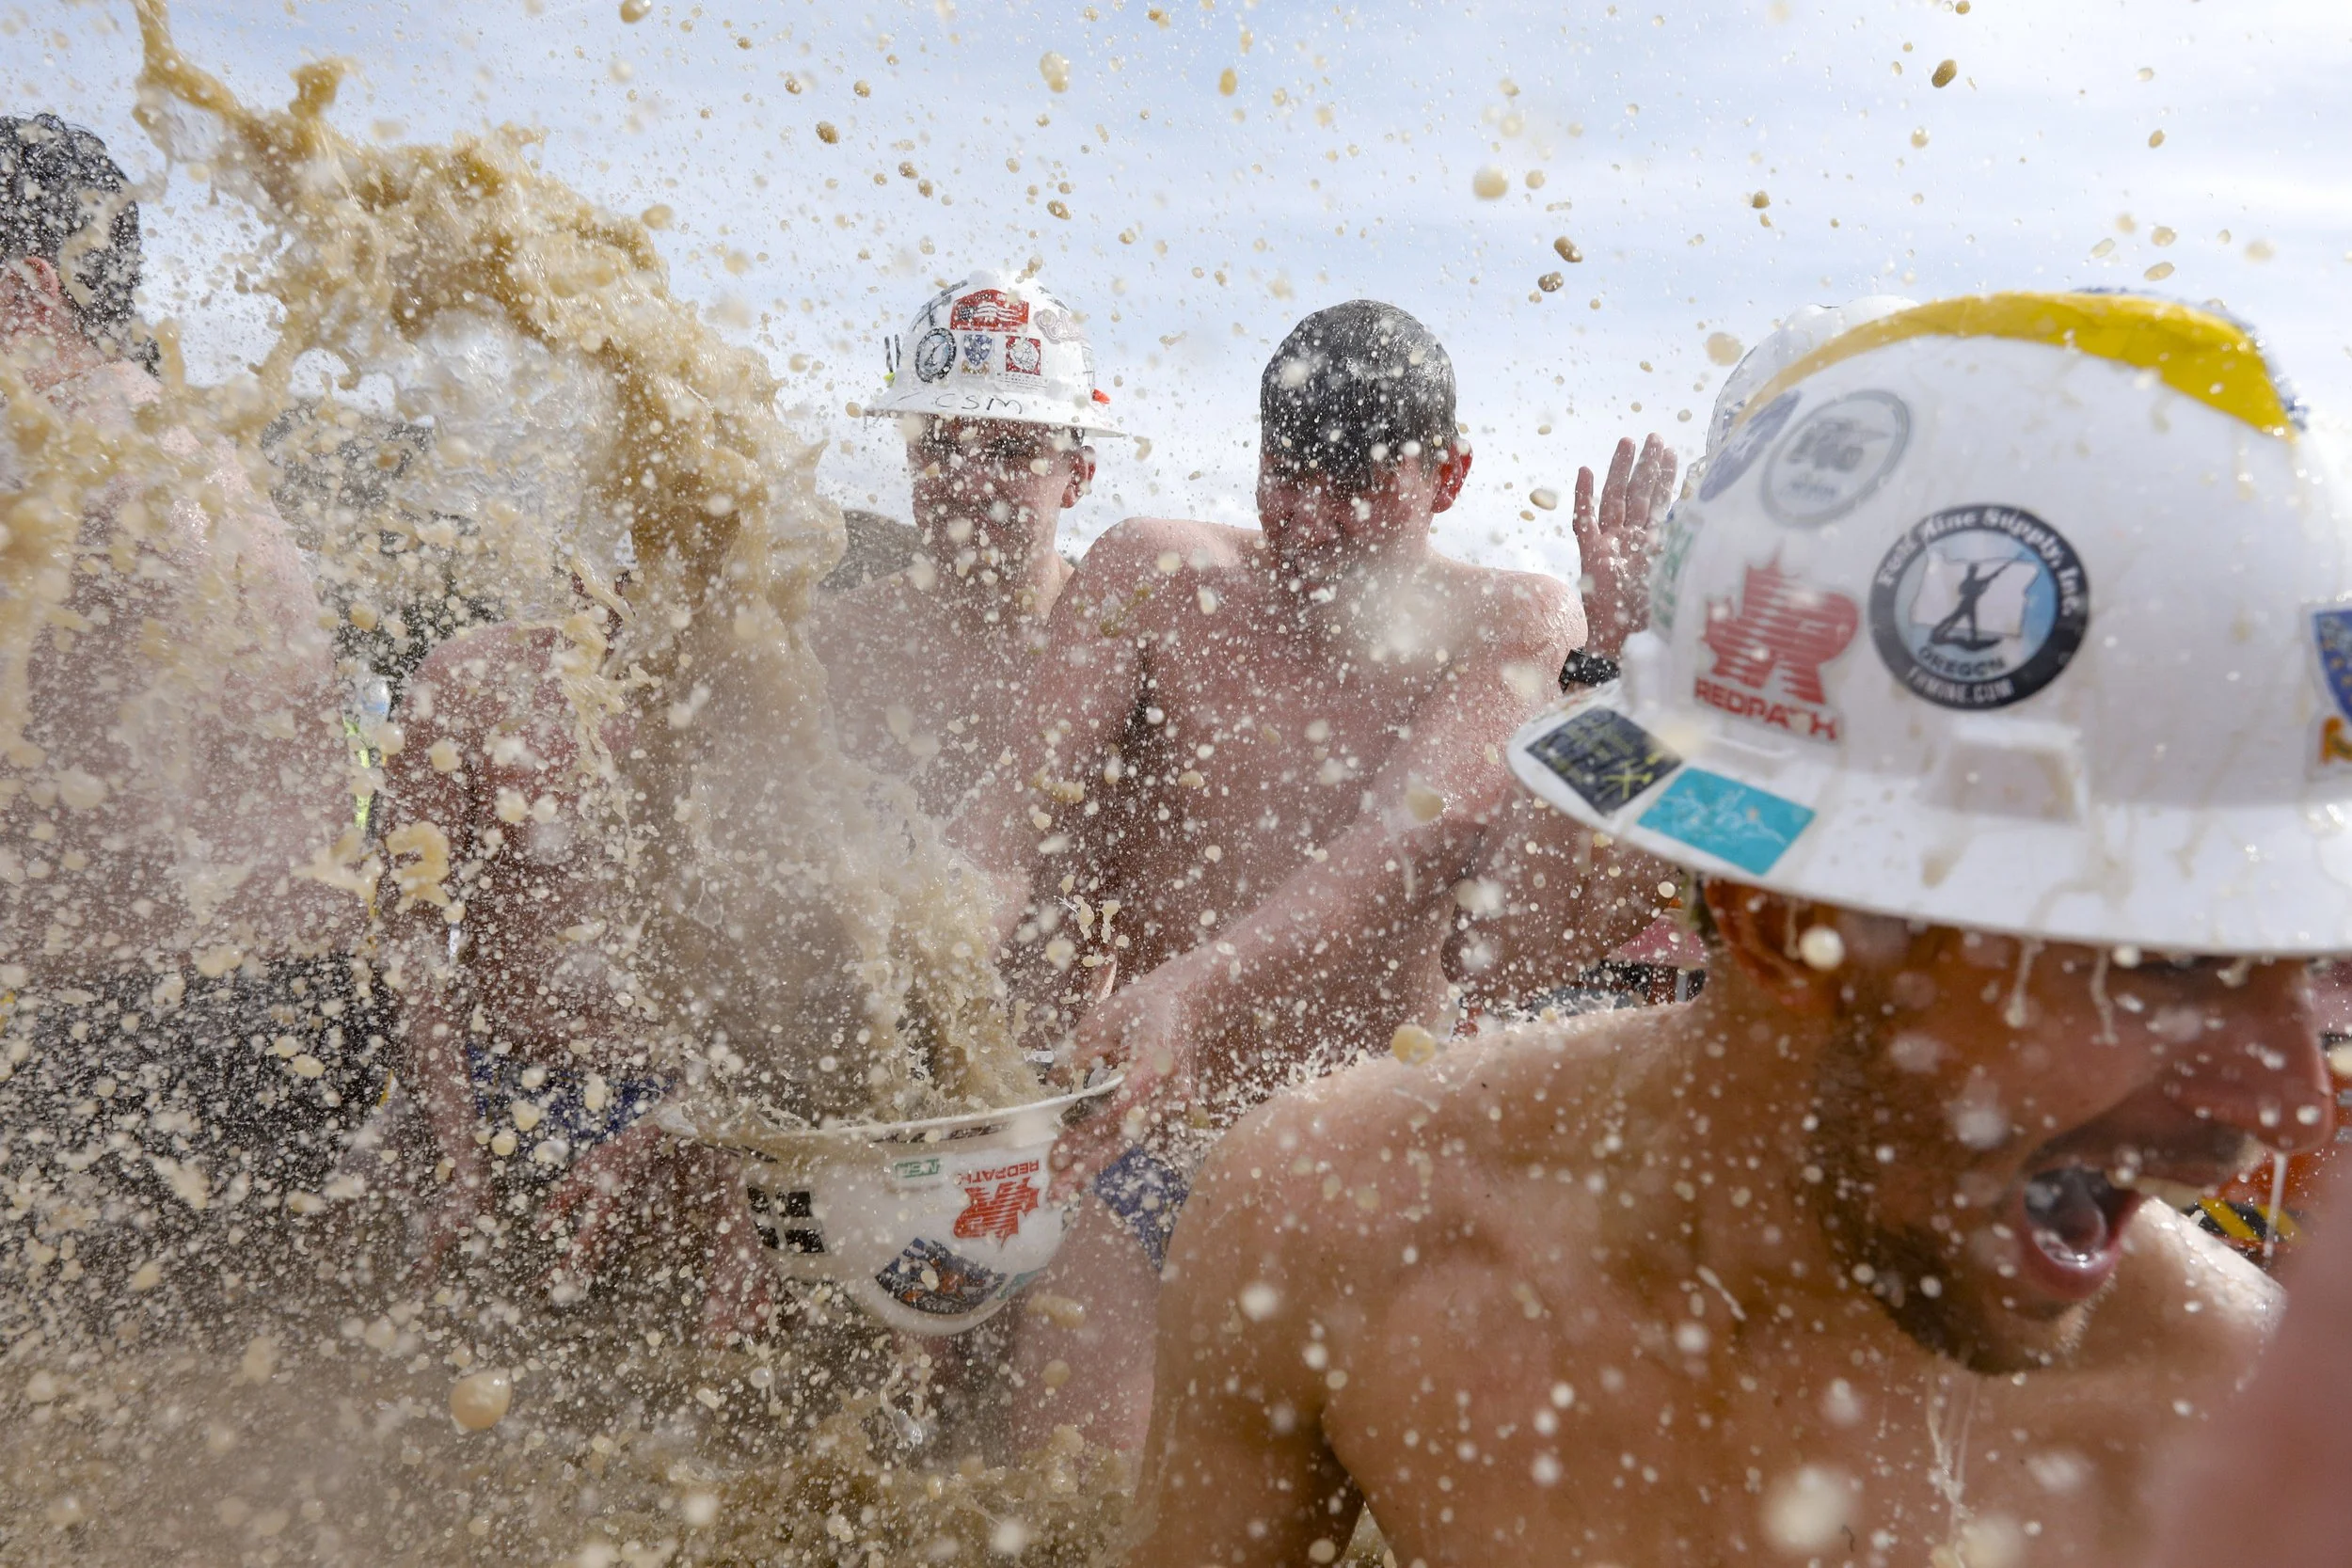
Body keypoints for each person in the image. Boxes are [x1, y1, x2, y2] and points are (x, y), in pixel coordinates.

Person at [1126, 292, 2348, 1566]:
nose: (2295, 1099)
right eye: (2167, 963)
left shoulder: (2231, 1433)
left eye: (2303, 960)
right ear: (1780, 924)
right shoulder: (1333, 1228)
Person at [955, 298, 1675, 1446]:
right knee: (1072, 1502)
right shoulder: (1156, 574)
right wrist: (915, 948)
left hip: (1367, 1162)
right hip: (1153, 1139)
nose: (1314, 521)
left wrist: (1190, 984)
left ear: (1448, 477)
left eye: (1360, 490)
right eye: (1287, 476)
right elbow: (1017, 817)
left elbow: (1394, 852)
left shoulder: (1507, 615)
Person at [0, 115, 376, 1306]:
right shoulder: (180, 450)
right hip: (279, 1028)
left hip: (133, 1036)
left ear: (24, 293)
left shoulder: (64, 479)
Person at [814, 269, 1118, 820]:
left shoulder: (1113, 657)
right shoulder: (836, 646)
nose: (968, 480)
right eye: (937, 443)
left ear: (1077, 476)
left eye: (1008, 449)